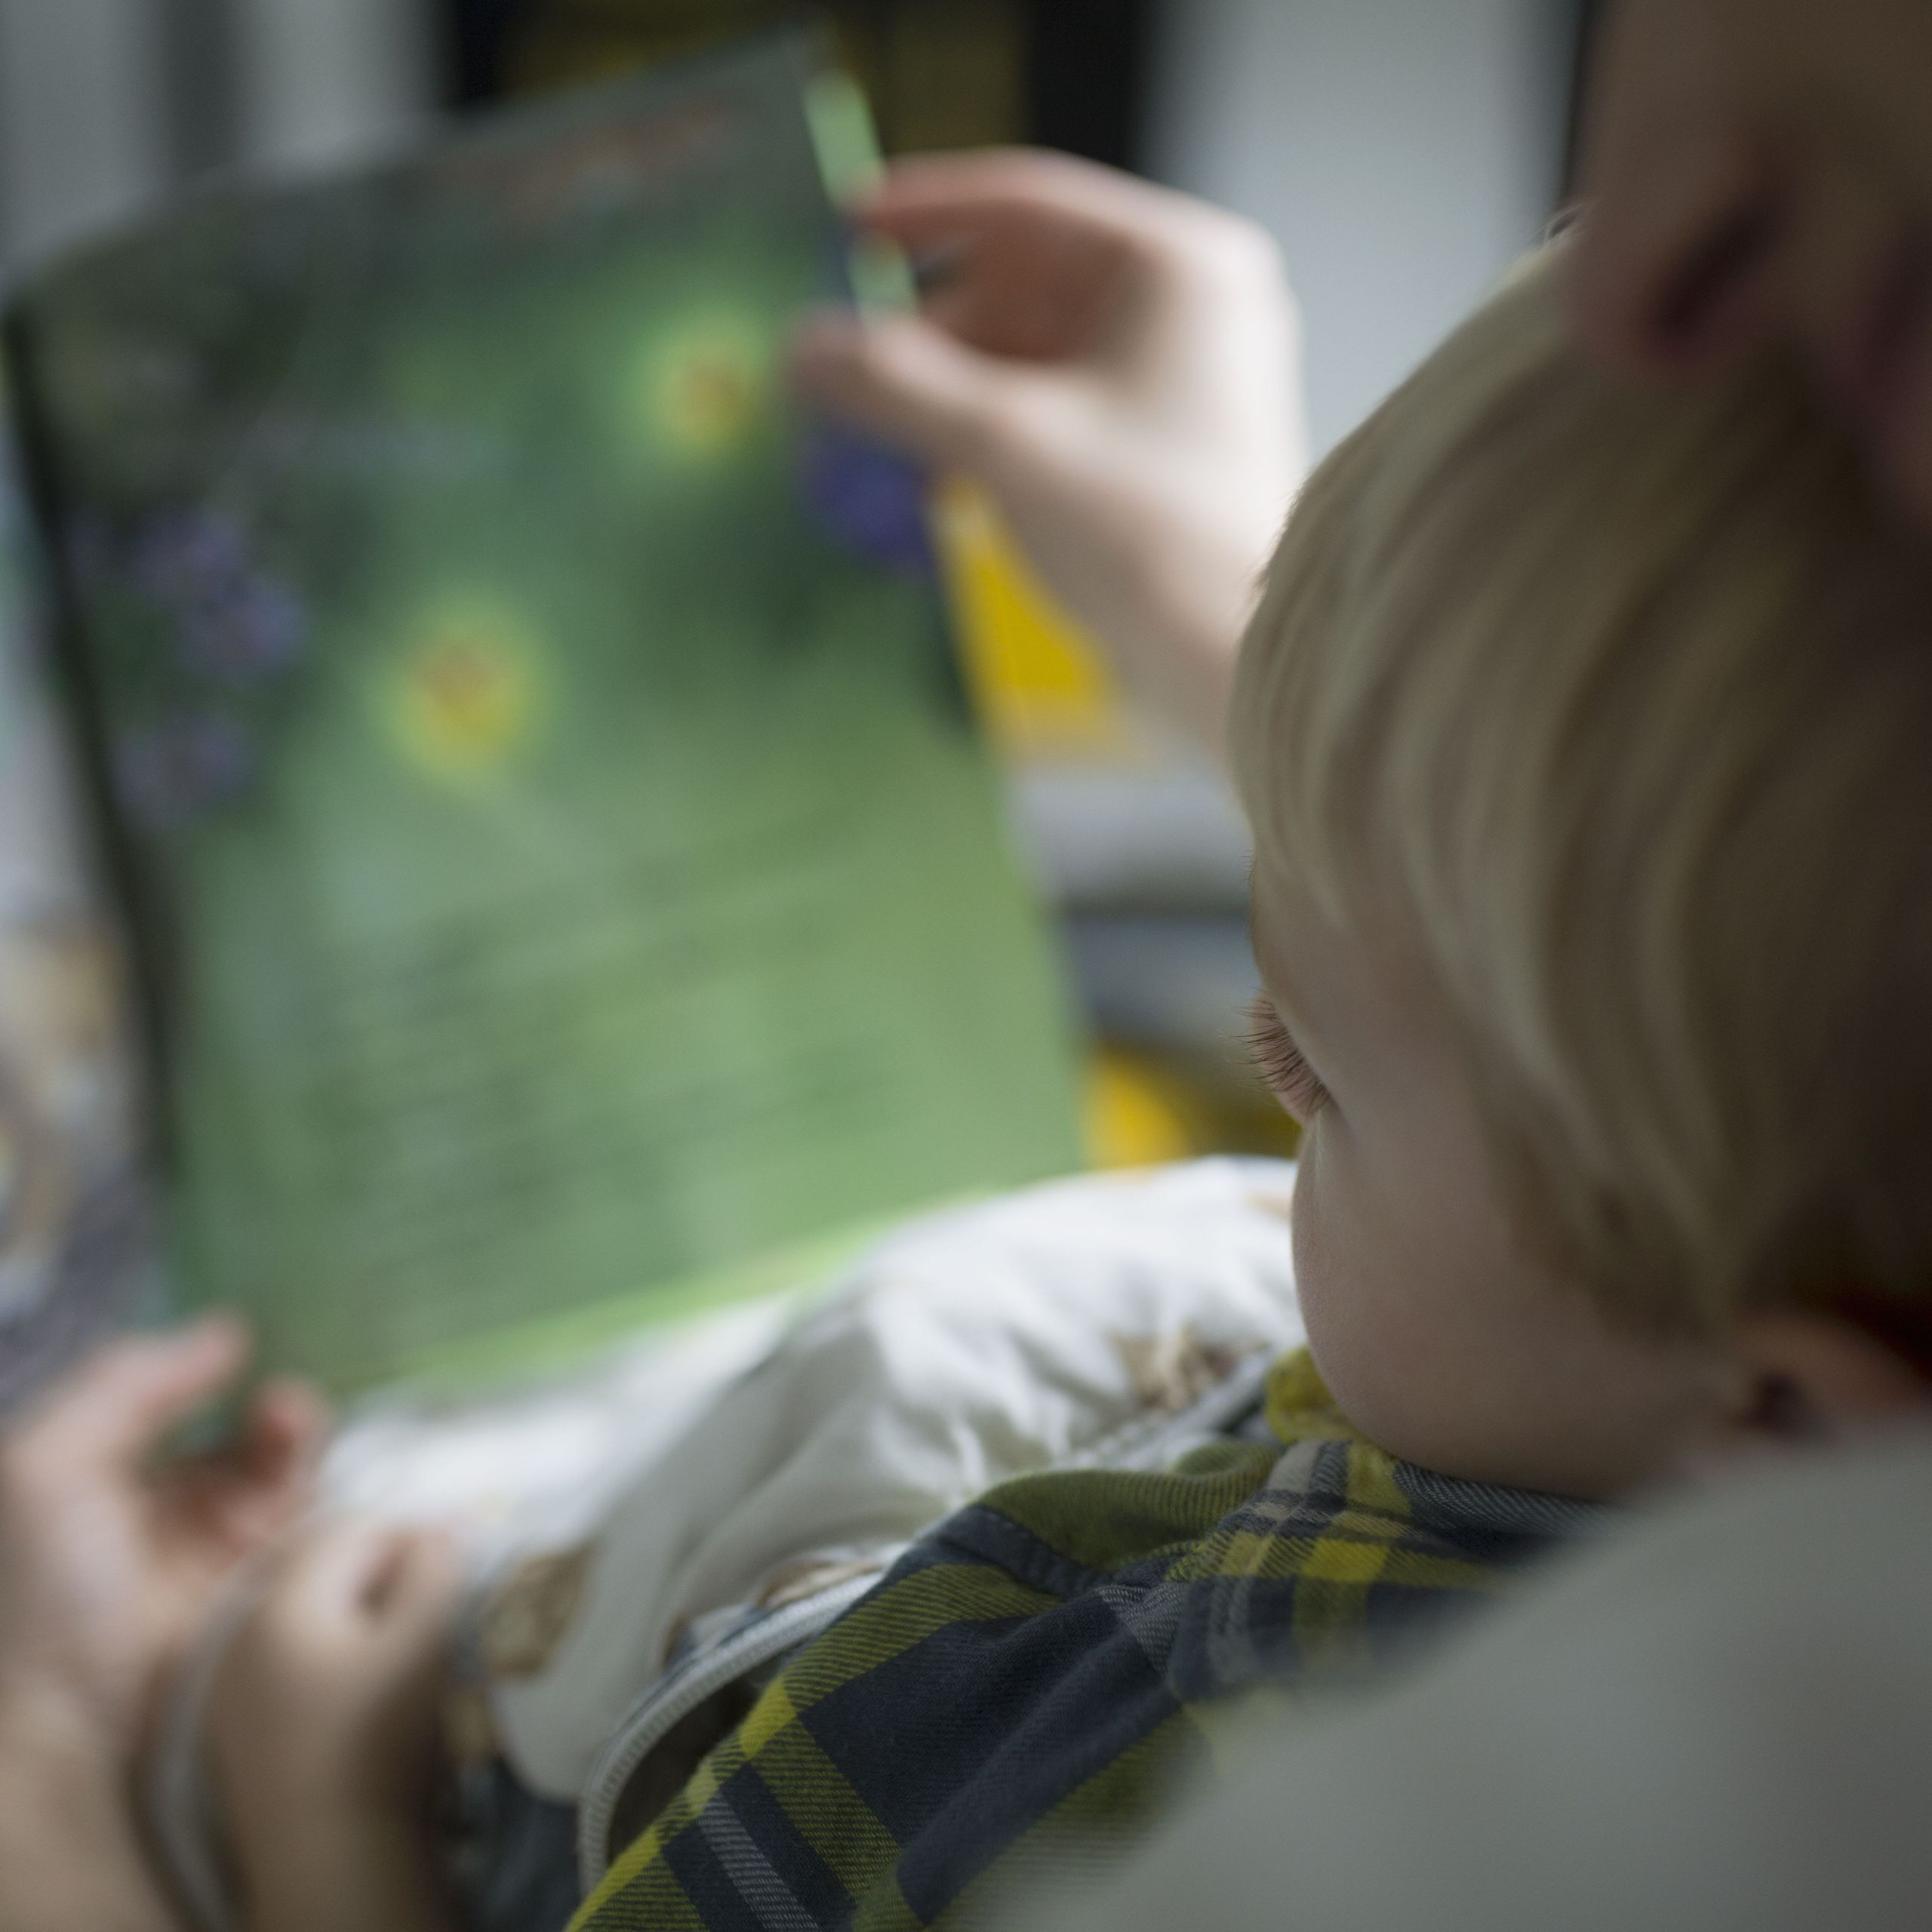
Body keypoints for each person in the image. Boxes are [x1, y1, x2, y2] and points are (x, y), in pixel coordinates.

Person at [7, 0, 1932, 1920]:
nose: (1269, 1075)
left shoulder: (1155, 1775)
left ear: (1779, 1421)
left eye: (1318, 1086)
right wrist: (1244, 621)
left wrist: (248, 1825)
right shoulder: (1629, 1335)